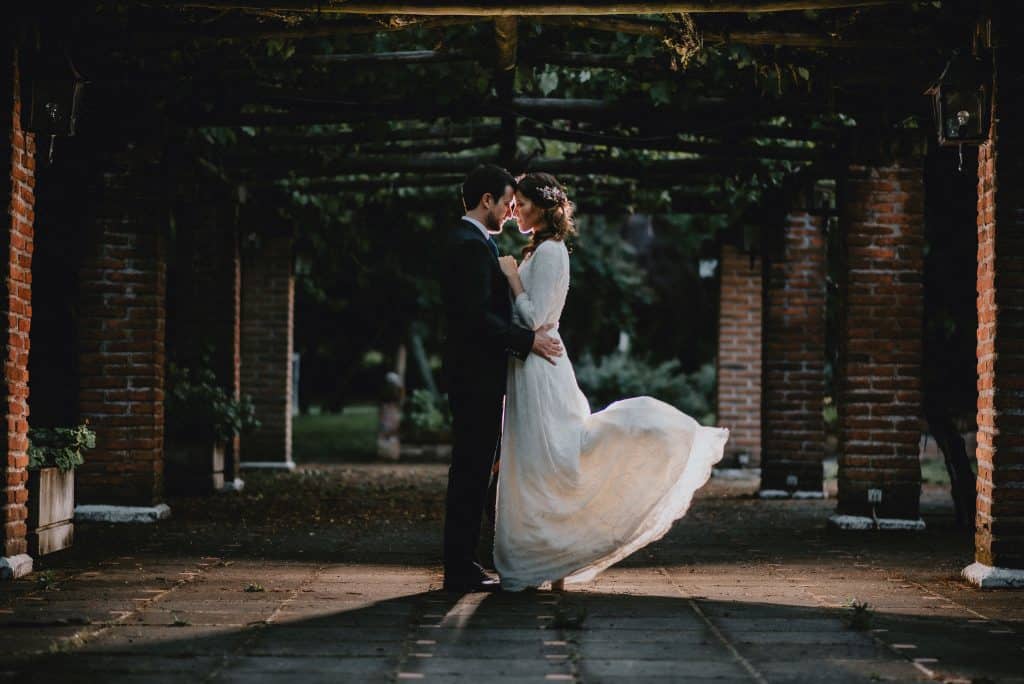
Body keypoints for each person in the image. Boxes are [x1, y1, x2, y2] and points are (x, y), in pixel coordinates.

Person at [494, 172, 729, 592]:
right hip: (528, 364)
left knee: (553, 462)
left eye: (523, 204)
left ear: (544, 207)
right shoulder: (537, 250)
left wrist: (511, 279)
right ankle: (541, 557)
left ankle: (556, 555)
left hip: (541, 366)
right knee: (533, 463)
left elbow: (534, 318)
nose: (516, 212)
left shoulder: (550, 253)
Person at [439, 164, 564, 593]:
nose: (512, 211)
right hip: (475, 377)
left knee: (476, 469)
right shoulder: (469, 246)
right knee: (472, 470)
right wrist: (526, 341)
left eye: (519, 203)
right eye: (508, 202)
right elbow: (476, 319)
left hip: (479, 375)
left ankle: (466, 562)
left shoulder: (474, 243)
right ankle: (459, 567)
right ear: (486, 200)